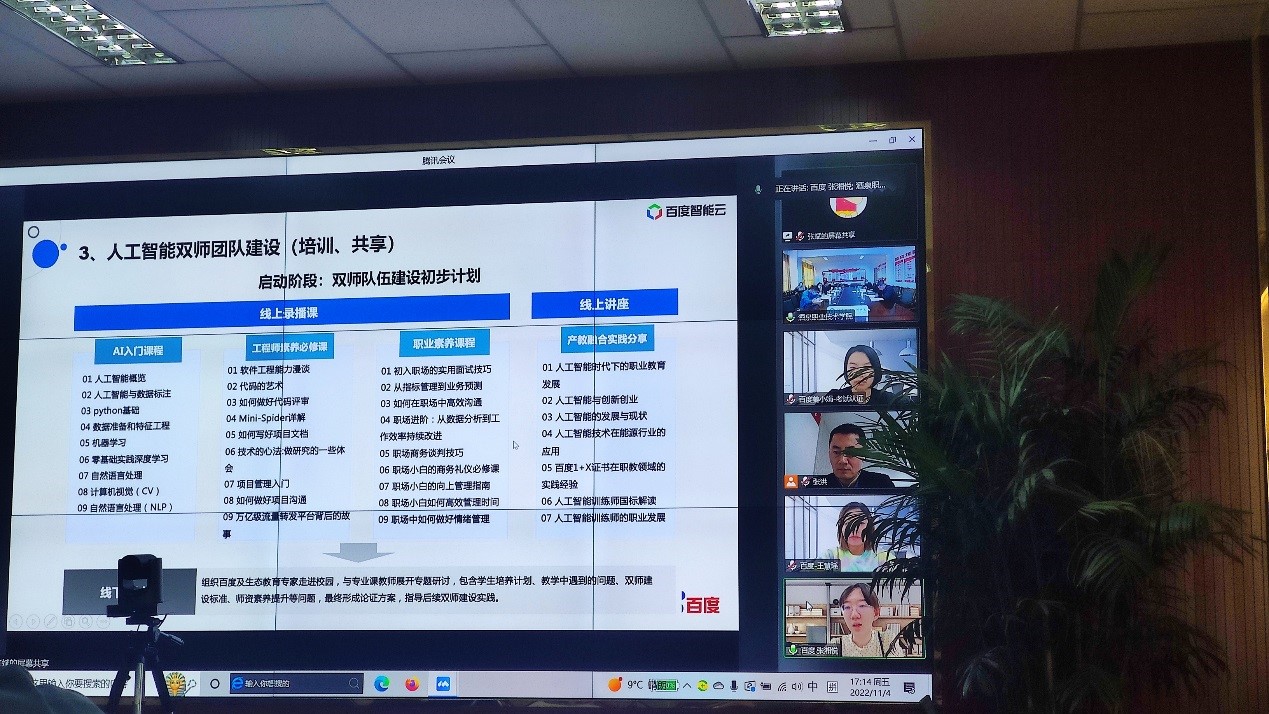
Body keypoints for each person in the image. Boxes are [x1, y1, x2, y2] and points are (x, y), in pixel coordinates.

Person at [822, 345, 907, 407]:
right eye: (853, 368)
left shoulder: (889, 399)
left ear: (876, 370)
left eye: (867, 368)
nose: (860, 374)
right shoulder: (833, 397)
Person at [821, 502, 891, 571]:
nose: (854, 529)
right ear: (841, 528)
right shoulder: (830, 556)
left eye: (861, 523)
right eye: (848, 523)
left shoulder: (884, 558)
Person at [822, 424, 894, 488]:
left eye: (851, 452)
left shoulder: (882, 483)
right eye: (836, 452)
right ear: (829, 454)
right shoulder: (818, 484)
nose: (842, 460)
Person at [834, 582, 893, 658]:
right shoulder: (837, 644)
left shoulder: (887, 640)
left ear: (876, 612)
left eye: (862, 605)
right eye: (847, 607)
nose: (854, 615)